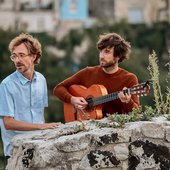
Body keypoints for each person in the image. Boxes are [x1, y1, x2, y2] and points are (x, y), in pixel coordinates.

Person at [0, 33, 61, 164]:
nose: (17, 60)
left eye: (21, 55)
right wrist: (41, 127)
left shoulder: (41, 80)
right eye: (14, 56)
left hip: (39, 148)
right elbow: (8, 123)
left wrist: (44, 131)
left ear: (33, 56)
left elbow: (40, 114)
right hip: (16, 152)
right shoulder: (6, 85)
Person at [53, 32, 140, 121]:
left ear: (117, 56)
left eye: (107, 52)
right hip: (86, 127)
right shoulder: (88, 73)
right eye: (101, 51)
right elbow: (58, 88)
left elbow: (136, 114)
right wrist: (72, 99)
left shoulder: (129, 79)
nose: (101, 56)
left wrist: (127, 101)